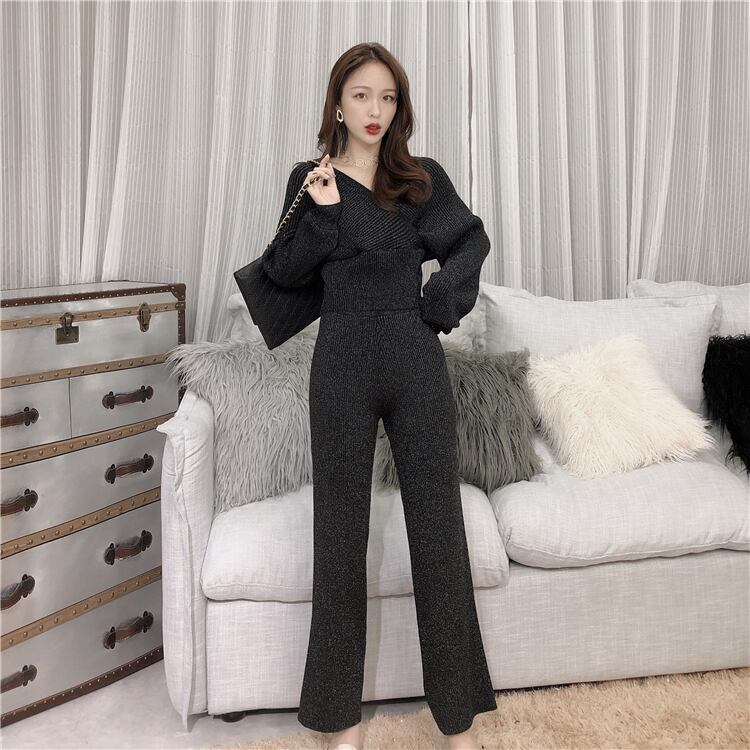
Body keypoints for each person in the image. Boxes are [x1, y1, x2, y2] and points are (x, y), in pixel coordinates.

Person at [261, 42, 496, 750]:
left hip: (415, 364)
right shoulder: (311, 180)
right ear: (337, 103)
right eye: (361, 95)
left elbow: (471, 241)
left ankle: (458, 722)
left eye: (387, 97)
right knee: (339, 541)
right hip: (340, 367)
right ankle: (339, 724)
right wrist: (323, 213)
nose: (375, 110)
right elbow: (285, 271)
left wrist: (441, 298)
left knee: (439, 536)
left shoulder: (420, 181)